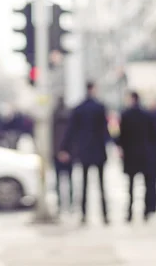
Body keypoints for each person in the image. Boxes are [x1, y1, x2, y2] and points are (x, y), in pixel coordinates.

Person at [59, 82, 110, 225]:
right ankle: (105, 215)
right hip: (99, 151)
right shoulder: (100, 108)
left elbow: (70, 131)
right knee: (101, 185)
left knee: (84, 185)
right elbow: (105, 131)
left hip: (84, 151)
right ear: (93, 89)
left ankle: (83, 215)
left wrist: (64, 148)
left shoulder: (79, 109)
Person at [118, 92, 156, 222]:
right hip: (144, 154)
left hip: (130, 154)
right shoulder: (146, 115)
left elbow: (121, 136)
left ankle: (129, 212)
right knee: (146, 184)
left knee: (130, 186)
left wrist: (121, 149)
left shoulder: (125, 115)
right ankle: (146, 211)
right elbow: (152, 135)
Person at [52, 97, 73, 213]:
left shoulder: (53, 116)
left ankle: (60, 203)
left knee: (58, 180)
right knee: (69, 180)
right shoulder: (70, 116)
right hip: (68, 153)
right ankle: (69, 203)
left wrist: (57, 152)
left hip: (57, 154)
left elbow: (52, 138)